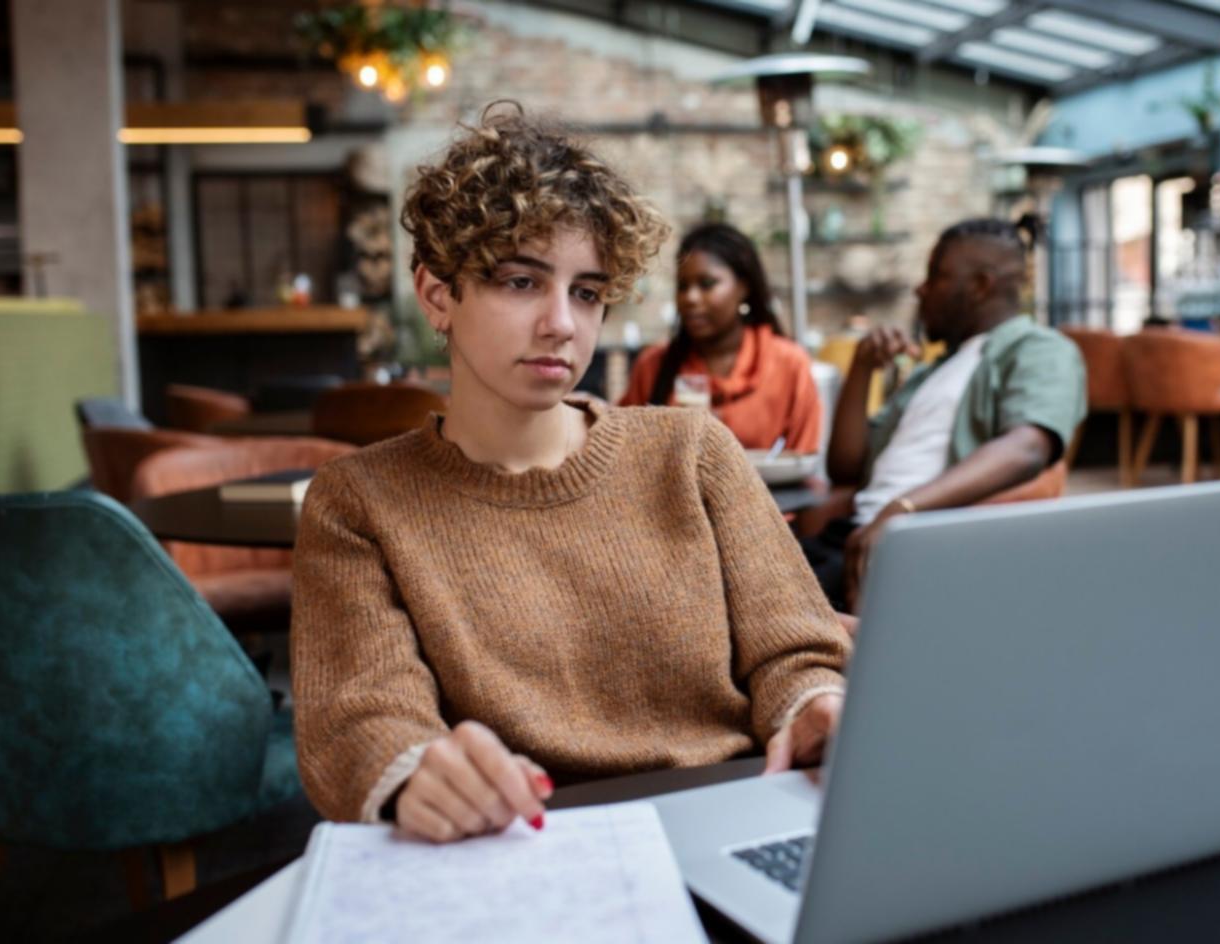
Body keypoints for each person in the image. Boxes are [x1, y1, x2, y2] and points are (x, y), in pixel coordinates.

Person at [290, 106, 849, 845]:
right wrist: (418, 772)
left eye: (586, 292)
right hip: (519, 843)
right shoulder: (357, 502)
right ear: (436, 295)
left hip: (733, 814)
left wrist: (813, 703)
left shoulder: (691, 452)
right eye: (522, 281)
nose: (561, 323)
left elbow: (795, 651)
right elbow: (362, 716)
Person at [800, 218, 1086, 610]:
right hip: (852, 537)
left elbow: (1028, 448)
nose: (921, 289)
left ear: (981, 285)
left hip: (913, 546)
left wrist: (901, 510)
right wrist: (863, 368)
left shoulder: (1039, 349)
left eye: (936, 275)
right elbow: (846, 468)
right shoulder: (930, 372)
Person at [620, 223, 822, 453]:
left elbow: (803, 456)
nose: (690, 297)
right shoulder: (653, 366)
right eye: (683, 286)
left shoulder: (787, 363)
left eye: (707, 284)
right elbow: (626, 454)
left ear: (743, 287)